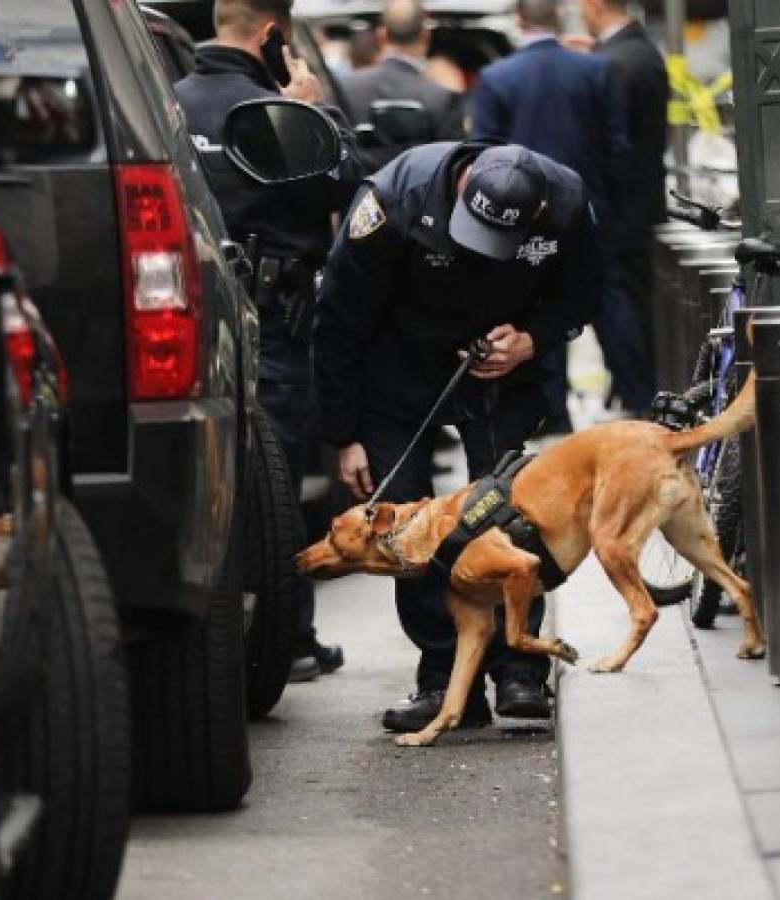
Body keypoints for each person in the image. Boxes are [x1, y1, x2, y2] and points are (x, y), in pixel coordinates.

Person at [315, 142, 600, 732]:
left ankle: (520, 669)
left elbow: (584, 294)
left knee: (511, 520)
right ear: (462, 181)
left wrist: (531, 340)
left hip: (501, 370)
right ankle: (443, 680)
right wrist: (343, 434)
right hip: (397, 369)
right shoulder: (395, 199)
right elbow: (338, 317)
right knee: (406, 530)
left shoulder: (567, 202)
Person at [175, 0, 365, 681]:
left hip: (188, 324)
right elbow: (345, 186)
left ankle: (222, 638)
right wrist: (319, 110)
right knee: (275, 488)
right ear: (272, 34)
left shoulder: (166, 103)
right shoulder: (276, 114)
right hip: (274, 326)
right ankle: (290, 638)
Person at [470, 0, 648, 430]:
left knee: (536, 305)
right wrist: (613, 208)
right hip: (592, 209)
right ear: (557, 19)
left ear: (518, 21)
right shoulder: (595, 71)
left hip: (522, 212)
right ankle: (640, 399)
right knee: (608, 302)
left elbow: (483, 155)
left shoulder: (497, 79)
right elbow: (618, 148)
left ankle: (553, 413)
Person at [580, 0, 668, 379]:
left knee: (628, 304)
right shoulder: (632, 53)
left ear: (596, 5)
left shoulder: (619, 61)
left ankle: (641, 391)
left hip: (624, 211)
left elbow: (616, 143)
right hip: (636, 205)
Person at [338, 0, 465, 169]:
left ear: (381, 35)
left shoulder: (344, 87)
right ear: (426, 35)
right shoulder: (441, 98)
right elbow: (453, 168)